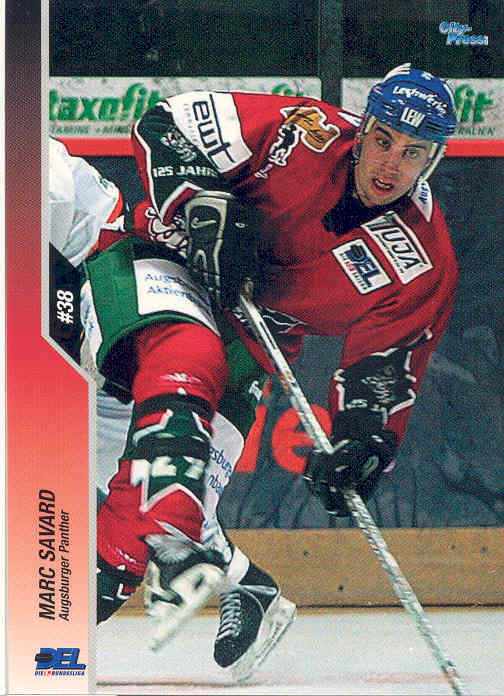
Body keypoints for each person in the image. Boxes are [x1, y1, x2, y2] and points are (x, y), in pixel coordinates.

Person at [87, 62, 458, 668]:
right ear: (363, 129)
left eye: (413, 152)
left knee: (157, 511)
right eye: (384, 139)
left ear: (434, 159)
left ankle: (244, 586)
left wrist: (364, 440)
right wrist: (202, 202)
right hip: (162, 275)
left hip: (248, 348)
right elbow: (165, 123)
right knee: (159, 464)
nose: (391, 164)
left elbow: (386, 369)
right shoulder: (300, 131)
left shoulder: (423, 260)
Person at [49, 136, 295, 682]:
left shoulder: (30, 168)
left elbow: (55, 259)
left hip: (114, 297)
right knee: (150, 488)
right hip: (96, 338)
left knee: (152, 498)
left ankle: (59, 616)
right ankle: (247, 583)